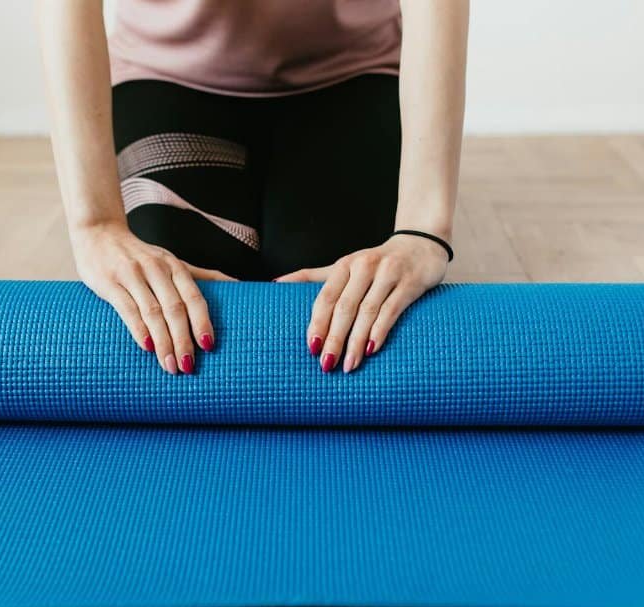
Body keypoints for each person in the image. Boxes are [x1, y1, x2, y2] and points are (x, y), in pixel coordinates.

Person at [38, 0, 468, 374]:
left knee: (331, 302)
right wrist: (96, 226)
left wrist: (422, 231)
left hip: (352, 73)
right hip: (168, 74)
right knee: (179, 297)